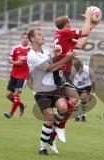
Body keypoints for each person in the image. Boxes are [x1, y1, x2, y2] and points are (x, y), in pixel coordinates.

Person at [27, 27, 76, 156]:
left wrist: (57, 55)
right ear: (32, 39)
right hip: (41, 91)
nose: (42, 36)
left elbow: (54, 61)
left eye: (42, 34)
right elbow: (48, 68)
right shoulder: (31, 55)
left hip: (53, 88)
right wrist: (67, 58)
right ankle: (42, 148)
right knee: (50, 118)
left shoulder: (47, 50)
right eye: (39, 35)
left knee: (64, 108)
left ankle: (51, 132)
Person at [51, 7, 97, 142]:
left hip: (63, 72)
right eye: (69, 22)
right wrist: (88, 18)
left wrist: (91, 27)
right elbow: (84, 31)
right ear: (66, 24)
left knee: (70, 102)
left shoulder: (62, 35)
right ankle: (58, 125)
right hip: (61, 71)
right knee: (73, 99)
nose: (70, 24)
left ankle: (55, 130)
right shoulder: (65, 32)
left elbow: (81, 44)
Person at [4, 32, 30, 118]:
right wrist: (16, 62)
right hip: (14, 75)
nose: (25, 39)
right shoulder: (16, 48)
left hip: (23, 76)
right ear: (21, 39)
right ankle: (21, 105)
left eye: (27, 38)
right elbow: (9, 59)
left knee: (16, 95)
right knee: (8, 95)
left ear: (29, 39)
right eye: (23, 38)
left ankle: (10, 113)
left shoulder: (31, 50)